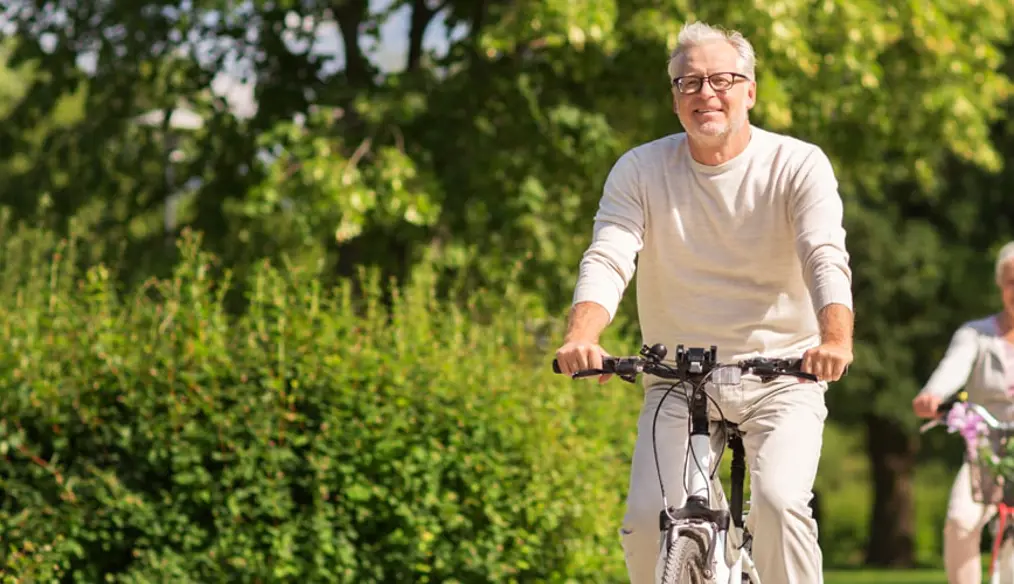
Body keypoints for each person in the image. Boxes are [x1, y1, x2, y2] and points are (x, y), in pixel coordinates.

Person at [552, 20, 854, 584]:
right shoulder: (641, 169)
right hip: (677, 379)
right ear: (674, 99)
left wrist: (834, 339)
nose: (705, 94)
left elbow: (823, 255)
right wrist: (583, 335)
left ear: (750, 92)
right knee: (646, 524)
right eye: (688, 83)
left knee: (780, 503)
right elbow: (610, 254)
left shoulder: (797, 164)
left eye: (722, 79)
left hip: (782, 378)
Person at [912, 241, 1014, 584]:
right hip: (985, 449)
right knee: (961, 520)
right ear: (1001, 286)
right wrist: (933, 395)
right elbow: (953, 368)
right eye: (1011, 282)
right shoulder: (977, 334)